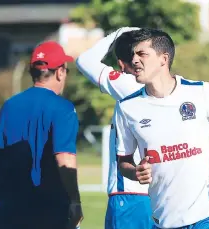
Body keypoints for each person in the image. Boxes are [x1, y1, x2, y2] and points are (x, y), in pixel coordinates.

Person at [115, 28, 209, 229]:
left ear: (163, 58)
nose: (134, 60)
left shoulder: (200, 91)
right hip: (164, 220)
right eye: (133, 54)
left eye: (142, 54)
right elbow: (123, 161)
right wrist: (135, 173)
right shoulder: (127, 107)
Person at [0, 41, 83, 229]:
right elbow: (64, 158)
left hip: (5, 211)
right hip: (47, 211)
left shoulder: (9, 106)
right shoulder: (63, 108)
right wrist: (75, 201)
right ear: (60, 72)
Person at [76, 27, 153, 229]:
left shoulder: (129, 85)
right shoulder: (173, 87)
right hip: (164, 196)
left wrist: (120, 32)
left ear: (121, 64)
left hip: (130, 194)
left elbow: (84, 61)